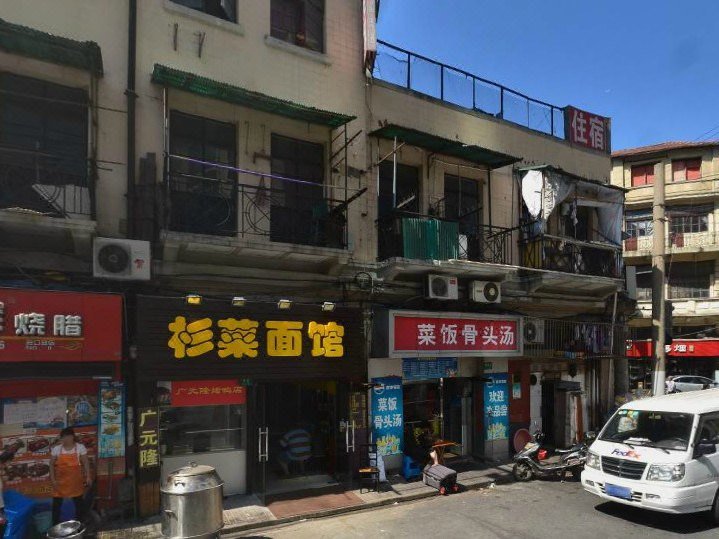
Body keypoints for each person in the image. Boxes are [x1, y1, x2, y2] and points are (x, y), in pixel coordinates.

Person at [49, 428, 92, 525]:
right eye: (63, 437)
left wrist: (88, 476)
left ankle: (79, 525)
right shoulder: (57, 449)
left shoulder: (80, 447)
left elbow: (86, 462)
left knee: (79, 504)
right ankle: (55, 526)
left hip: (75, 482)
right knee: (56, 506)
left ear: (73, 437)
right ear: (61, 438)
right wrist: (53, 480)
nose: (66, 439)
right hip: (60, 483)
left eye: (68, 436)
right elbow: (51, 464)